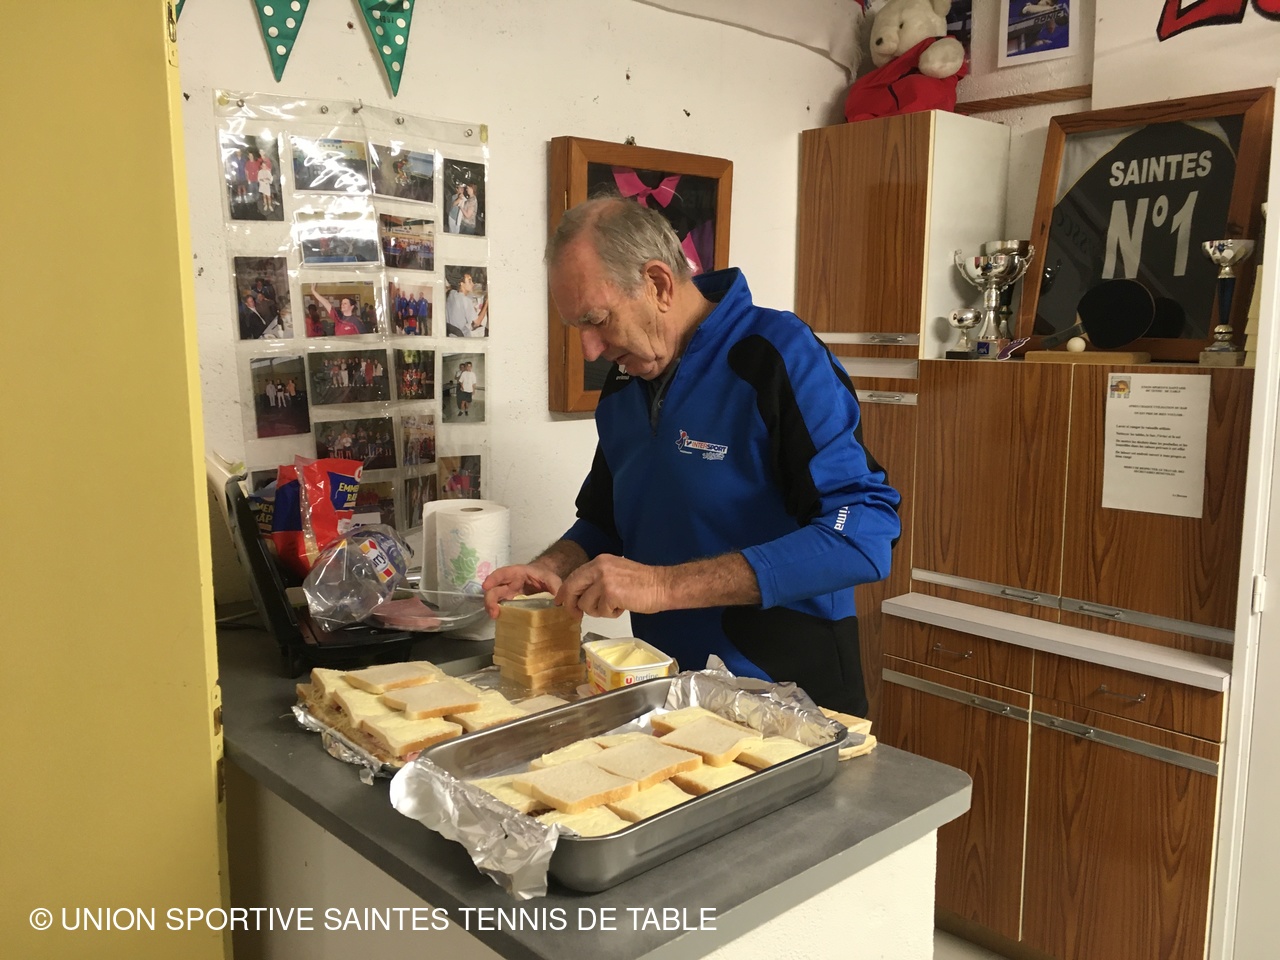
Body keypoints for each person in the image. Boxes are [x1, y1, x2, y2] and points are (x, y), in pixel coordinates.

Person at [481, 197, 901, 714]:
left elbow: (862, 534)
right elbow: (606, 522)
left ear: (658, 284)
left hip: (788, 697)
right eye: (578, 329)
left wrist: (661, 585)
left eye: (598, 320)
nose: (590, 349)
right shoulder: (623, 384)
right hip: (667, 694)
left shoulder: (776, 356)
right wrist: (552, 567)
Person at [445, 271, 488, 337]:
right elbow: (477, 323)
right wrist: (486, 302)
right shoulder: (466, 300)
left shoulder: (451, 293)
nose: (473, 284)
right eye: (469, 281)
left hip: (451, 334)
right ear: (462, 284)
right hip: (462, 336)